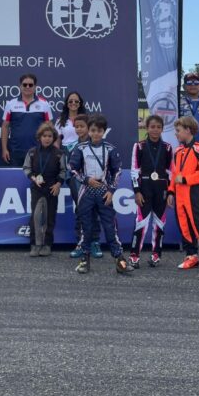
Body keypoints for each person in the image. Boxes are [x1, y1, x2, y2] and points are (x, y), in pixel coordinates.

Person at [68, 114, 128, 275]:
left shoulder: (110, 149)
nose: (96, 134)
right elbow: (72, 168)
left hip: (104, 192)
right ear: (89, 130)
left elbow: (118, 171)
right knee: (86, 227)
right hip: (86, 192)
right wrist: (85, 179)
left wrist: (111, 191)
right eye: (93, 130)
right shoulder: (80, 148)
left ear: (104, 131)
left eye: (99, 131)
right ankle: (84, 260)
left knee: (110, 227)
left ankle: (119, 259)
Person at [167, 115, 199, 271]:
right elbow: (174, 175)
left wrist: (186, 179)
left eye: (178, 130)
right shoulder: (178, 150)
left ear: (188, 130)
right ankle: (191, 256)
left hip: (194, 193)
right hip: (180, 194)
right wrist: (170, 192)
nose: (176, 134)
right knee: (184, 225)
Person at [129, 115, 172, 268]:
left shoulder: (167, 148)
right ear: (146, 128)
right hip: (145, 188)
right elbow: (134, 171)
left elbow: (170, 172)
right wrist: (137, 191)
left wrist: (170, 193)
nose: (155, 130)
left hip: (161, 189)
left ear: (162, 129)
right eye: (152, 127)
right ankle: (134, 255)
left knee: (160, 224)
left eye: (158, 127)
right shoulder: (139, 146)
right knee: (141, 223)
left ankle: (156, 255)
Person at [24, 123, 66, 257]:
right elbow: (26, 168)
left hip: (52, 188)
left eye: (50, 136)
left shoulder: (59, 154)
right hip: (37, 188)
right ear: (39, 137)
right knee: (35, 216)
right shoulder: (32, 152)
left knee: (50, 217)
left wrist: (59, 184)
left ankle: (47, 244)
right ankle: (35, 244)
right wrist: (33, 178)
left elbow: (64, 170)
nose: (47, 139)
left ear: (53, 138)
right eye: (44, 136)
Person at [67, 114, 100, 259]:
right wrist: (71, 181)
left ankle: (94, 242)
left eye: (82, 126)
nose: (79, 129)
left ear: (89, 127)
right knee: (81, 212)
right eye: (77, 127)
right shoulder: (71, 145)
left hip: (94, 183)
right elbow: (70, 167)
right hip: (77, 183)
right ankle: (81, 244)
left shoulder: (97, 144)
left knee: (94, 212)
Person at [1, 73, 52, 167]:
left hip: (38, 150)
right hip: (16, 150)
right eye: (24, 84)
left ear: (35, 87)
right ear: (20, 86)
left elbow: (49, 127)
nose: (27, 87)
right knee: (16, 180)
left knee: (38, 180)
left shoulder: (44, 104)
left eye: (30, 85)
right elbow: (5, 127)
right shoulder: (11, 104)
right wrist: (4, 149)